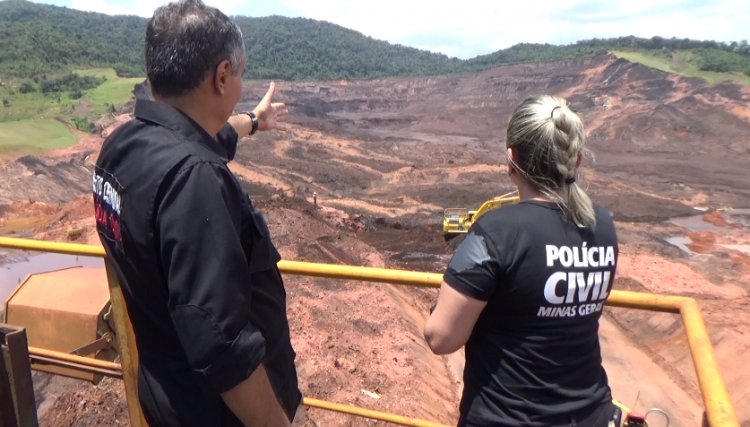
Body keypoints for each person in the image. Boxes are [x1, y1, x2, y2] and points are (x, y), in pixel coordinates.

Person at [92, 0, 300, 425]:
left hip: (164, 393)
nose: (239, 84)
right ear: (222, 76)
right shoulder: (194, 180)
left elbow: (203, 137)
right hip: (211, 414)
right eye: (238, 74)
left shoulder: (123, 147)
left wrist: (253, 122)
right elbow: (223, 346)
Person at [424, 95, 619, 427]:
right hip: (590, 415)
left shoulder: (497, 232)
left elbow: (441, 338)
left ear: (511, 159)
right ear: (577, 159)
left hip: (508, 417)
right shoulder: (601, 226)